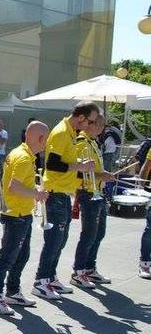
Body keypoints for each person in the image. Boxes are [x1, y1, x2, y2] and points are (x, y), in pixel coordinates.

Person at [32, 101, 101, 301]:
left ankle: (50, 277)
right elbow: (52, 164)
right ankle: (41, 281)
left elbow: (64, 162)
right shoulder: (62, 132)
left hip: (62, 194)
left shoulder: (70, 133)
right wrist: (78, 167)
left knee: (60, 241)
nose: (91, 125)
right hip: (54, 194)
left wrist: (79, 165)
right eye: (91, 121)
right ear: (81, 118)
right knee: (53, 241)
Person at [0, 121, 49, 316]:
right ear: (40, 138)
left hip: (21, 213)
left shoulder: (21, 154)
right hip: (16, 215)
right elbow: (14, 186)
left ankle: (12, 291)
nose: (46, 143)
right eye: (45, 139)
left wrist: (33, 190)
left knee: (21, 255)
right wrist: (36, 194)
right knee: (7, 258)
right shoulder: (23, 158)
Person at [70, 114, 114, 289]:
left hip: (98, 192)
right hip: (88, 193)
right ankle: (78, 271)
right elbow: (79, 173)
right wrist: (100, 176)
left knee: (99, 233)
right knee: (89, 234)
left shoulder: (94, 143)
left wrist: (103, 176)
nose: (102, 129)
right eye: (100, 125)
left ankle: (89, 267)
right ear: (91, 124)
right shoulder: (82, 143)